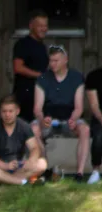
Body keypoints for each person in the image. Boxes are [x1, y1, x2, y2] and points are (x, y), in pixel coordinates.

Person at [32, 45, 89, 182]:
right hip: (48, 120)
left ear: (65, 60)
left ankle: (79, 173)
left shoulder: (76, 78)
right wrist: (41, 119)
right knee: (33, 129)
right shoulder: (43, 79)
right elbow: (37, 109)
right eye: (51, 60)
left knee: (85, 129)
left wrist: (73, 119)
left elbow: (79, 107)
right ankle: (45, 168)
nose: (52, 64)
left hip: (69, 119)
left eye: (56, 60)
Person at [0, 95, 47, 185]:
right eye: (4, 111)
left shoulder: (24, 126)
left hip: (18, 167)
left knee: (42, 163)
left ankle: (2, 180)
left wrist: (31, 161)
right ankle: (21, 181)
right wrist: (5, 166)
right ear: (0, 112)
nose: (7, 115)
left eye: (10, 111)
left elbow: (34, 148)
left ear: (17, 111)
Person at [12, 10, 49, 122]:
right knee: (24, 127)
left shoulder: (42, 46)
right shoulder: (23, 44)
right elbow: (18, 67)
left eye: (45, 26)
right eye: (40, 26)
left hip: (39, 93)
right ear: (31, 26)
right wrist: (39, 75)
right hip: (25, 93)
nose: (44, 29)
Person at [85, 67, 102, 184]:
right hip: (99, 116)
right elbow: (94, 106)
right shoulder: (94, 76)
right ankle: (96, 171)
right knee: (98, 137)